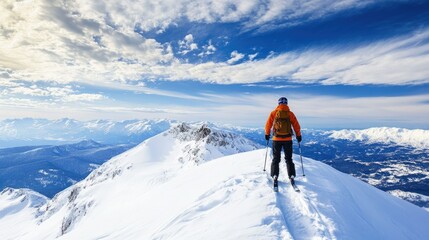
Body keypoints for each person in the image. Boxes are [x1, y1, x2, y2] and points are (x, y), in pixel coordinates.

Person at [265, 97, 302, 189]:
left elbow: (268, 124)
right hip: (288, 139)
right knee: (289, 159)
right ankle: (292, 175)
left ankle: (275, 175)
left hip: (276, 139)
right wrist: (298, 135)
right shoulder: (290, 113)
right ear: (286, 104)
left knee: (276, 159)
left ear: (278, 104)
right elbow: (296, 125)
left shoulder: (273, 113)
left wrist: (267, 134)